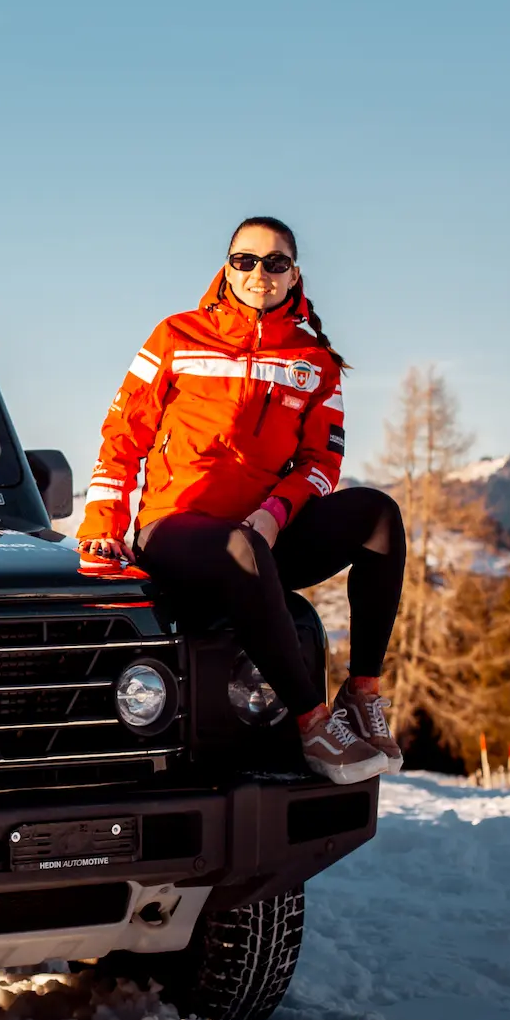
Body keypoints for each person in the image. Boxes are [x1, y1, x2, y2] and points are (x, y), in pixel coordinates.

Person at [77, 217, 406, 784]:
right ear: (227, 268)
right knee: (241, 546)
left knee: (379, 516)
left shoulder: (314, 363)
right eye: (246, 261)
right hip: (176, 532)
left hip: (261, 534)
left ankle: (363, 691)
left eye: (275, 262)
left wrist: (275, 513)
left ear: (294, 274)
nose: (260, 273)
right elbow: (121, 436)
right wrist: (103, 523)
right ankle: (314, 725)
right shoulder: (176, 336)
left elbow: (321, 466)